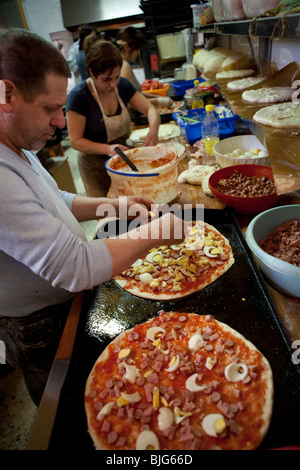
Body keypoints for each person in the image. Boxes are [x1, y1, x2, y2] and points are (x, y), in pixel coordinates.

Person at [0, 28, 185, 406]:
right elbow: (75, 266)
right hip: (36, 323)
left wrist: (116, 205)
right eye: (50, 109)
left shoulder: (16, 142)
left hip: (63, 302)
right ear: (6, 94)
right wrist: (157, 231)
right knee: (68, 407)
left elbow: (57, 198)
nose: (60, 123)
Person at [66, 40, 161, 198]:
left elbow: (150, 109)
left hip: (123, 158)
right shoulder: (79, 97)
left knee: (133, 204)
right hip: (94, 166)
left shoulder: (122, 85)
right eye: (106, 79)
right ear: (91, 72)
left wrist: (153, 130)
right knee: (109, 213)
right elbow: (75, 141)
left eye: (116, 77)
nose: (112, 84)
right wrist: (107, 149)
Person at [116, 26, 174, 109]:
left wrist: (158, 97)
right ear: (126, 47)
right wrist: (158, 101)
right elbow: (129, 101)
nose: (139, 53)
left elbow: (136, 94)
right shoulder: (124, 66)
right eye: (137, 49)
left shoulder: (123, 64)